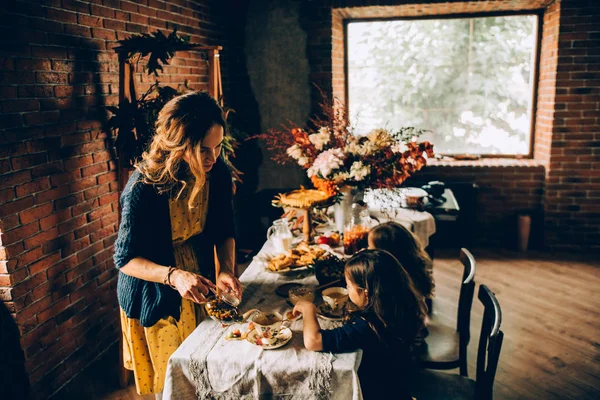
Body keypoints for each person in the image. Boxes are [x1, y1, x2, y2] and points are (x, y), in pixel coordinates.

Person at [113, 91, 242, 397]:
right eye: (203, 150)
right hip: (154, 288)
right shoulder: (143, 187)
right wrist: (175, 276)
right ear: (179, 144)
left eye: (218, 147)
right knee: (175, 386)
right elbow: (125, 259)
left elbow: (224, 229)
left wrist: (225, 270)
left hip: (195, 274)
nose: (212, 158)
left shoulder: (218, 172)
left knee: (206, 370)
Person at [292, 249, 426, 399]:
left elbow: (313, 341)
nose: (346, 289)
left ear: (366, 293)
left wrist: (308, 309)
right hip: (398, 385)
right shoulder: (397, 307)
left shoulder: (367, 326)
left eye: (349, 286)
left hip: (378, 393)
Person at [367, 221, 435, 301]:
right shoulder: (411, 270)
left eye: (371, 248)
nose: (367, 250)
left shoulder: (395, 286)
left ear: (388, 254)